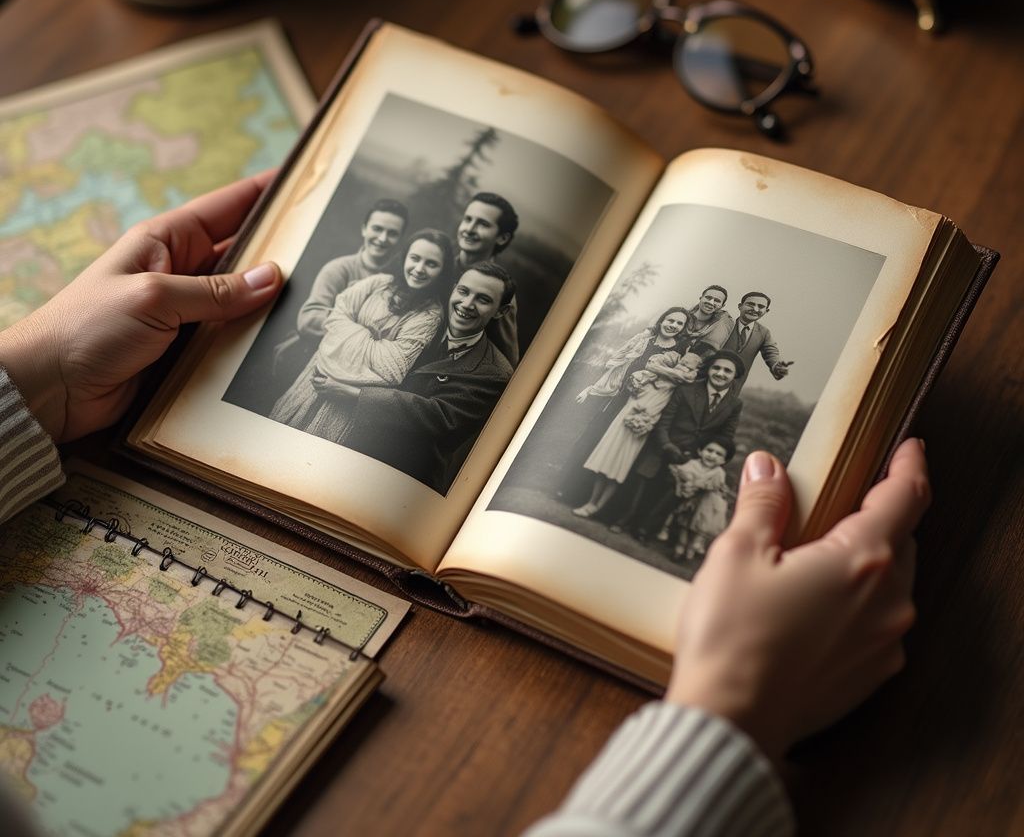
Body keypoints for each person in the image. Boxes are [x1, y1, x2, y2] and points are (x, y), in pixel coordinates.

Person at [0, 176, 930, 837]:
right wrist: (731, 716)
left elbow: (387, 369)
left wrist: (37, 377)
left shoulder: (469, 333)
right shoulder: (393, 297)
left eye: (484, 290)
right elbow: (361, 359)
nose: (463, 296)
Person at [328, 262, 515, 491]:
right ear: (454, 289)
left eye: (483, 299)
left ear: (501, 311)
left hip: (404, 480)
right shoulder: (421, 326)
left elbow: (439, 416)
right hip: (346, 451)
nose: (467, 304)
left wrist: (358, 395)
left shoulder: (495, 372)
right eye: (463, 291)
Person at [269, 229, 453, 443]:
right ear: (405, 257)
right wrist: (372, 344)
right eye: (415, 258)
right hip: (314, 378)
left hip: (345, 399)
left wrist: (350, 332)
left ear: (442, 271)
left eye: (431, 264)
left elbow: (393, 368)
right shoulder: (379, 283)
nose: (419, 269)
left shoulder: (430, 315)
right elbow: (335, 319)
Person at [271, 197, 409, 385]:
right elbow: (309, 319)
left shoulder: (402, 282)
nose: (383, 238)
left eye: (392, 233)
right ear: (364, 228)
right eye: (377, 229)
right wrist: (361, 335)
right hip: (313, 362)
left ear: (401, 239)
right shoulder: (339, 269)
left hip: (362, 374)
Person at [573, 349, 703, 521]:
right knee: (606, 458)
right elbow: (651, 364)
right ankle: (591, 502)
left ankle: (597, 507)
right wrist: (669, 370)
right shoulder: (667, 364)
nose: (683, 366)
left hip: (644, 420)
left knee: (619, 465)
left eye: (688, 365)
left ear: (695, 369)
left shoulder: (685, 379)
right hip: (628, 411)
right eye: (683, 361)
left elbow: (685, 377)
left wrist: (665, 371)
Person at [632, 350, 745, 542]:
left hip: (697, 457)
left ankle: (648, 530)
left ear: (734, 376)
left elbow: (726, 436)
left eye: (727, 371)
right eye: (716, 368)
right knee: (647, 483)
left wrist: (704, 459)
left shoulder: (734, 403)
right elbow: (664, 421)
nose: (720, 373)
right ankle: (629, 521)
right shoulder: (687, 389)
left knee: (677, 490)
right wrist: (667, 445)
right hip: (667, 446)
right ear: (708, 369)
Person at [455, 192, 521, 367]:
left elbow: (508, 359)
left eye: (482, 224)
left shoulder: (499, 293)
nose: (469, 229)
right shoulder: (438, 266)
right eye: (468, 219)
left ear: (502, 238)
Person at [666, 436, 734, 563]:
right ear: (700, 451)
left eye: (718, 454)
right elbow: (682, 474)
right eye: (709, 450)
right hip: (690, 502)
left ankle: (691, 549)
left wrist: (702, 484)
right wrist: (684, 479)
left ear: (724, 460)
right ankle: (679, 548)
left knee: (699, 530)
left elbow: (715, 486)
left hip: (707, 505)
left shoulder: (719, 472)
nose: (712, 455)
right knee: (684, 525)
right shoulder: (693, 464)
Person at [722, 290, 794, 391]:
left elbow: (771, 353)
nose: (755, 309)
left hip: (732, 389)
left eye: (761, 307)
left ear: (766, 311)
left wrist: (777, 366)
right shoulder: (724, 323)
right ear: (740, 306)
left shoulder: (764, 333)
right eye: (750, 304)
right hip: (705, 380)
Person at [681, 284, 735, 355]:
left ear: (722, 306)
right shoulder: (682, 317)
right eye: (708, 298)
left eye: (717, 301)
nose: (711, 302)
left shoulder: (723, 323)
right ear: (701, 298)